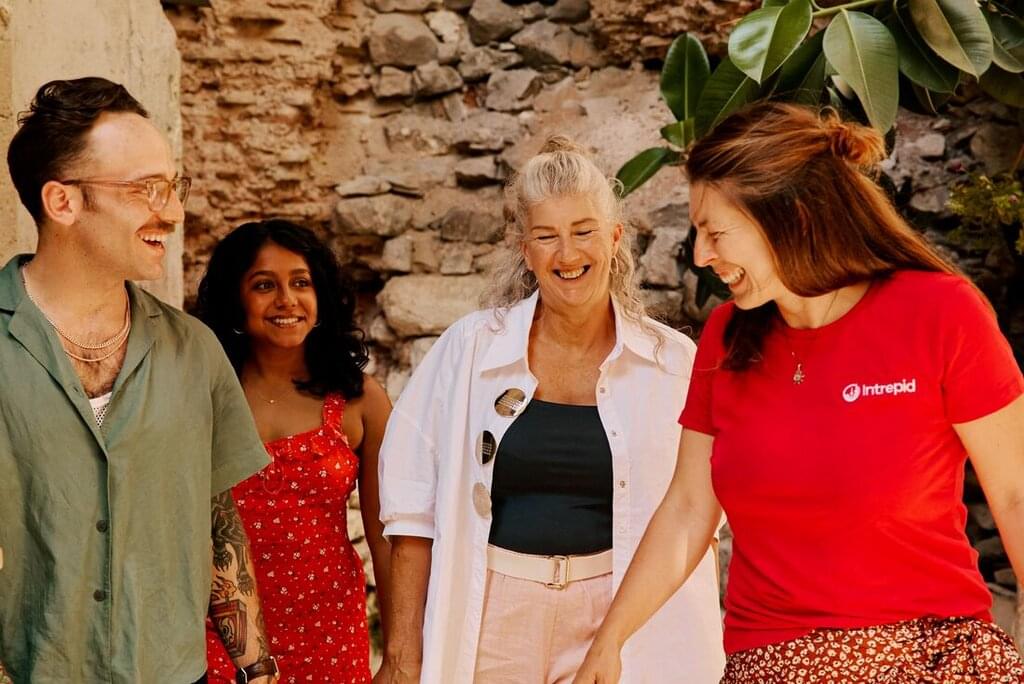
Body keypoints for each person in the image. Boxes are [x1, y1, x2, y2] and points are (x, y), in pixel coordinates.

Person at [574, 102, 1024, 683]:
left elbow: (1015, 494)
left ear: (793, 217)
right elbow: (688, 507)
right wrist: (610, 641)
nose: (701, 255)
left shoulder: (941, 313)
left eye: (715, 232)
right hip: (772, 664)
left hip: (932, 658)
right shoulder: (726, 337)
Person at [375, 137, 725, 684]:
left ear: (614, 237)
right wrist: (401, 656)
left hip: (620, 617)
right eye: (546, 236)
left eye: (584, 231)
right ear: (525, 249)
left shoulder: (672, 363)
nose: (567, 255)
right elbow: (411, 509)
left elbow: (698, 512)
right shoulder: (469, 350)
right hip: (494, 613)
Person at [0, 78, 278, 683]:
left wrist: (258, 671)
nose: (172, 212)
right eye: (146, 188)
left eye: (173, 187)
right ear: (63, 201)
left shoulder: (194, 351)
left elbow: (216, 519)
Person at [195, 220, 393, 683]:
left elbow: (386, 535)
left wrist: (400, 652)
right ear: (235, 298)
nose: (287, 299)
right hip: (219, 630)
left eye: (301, 283)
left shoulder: (358, 399)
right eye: (264, 285)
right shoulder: (202, 394)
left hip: (329, 631)